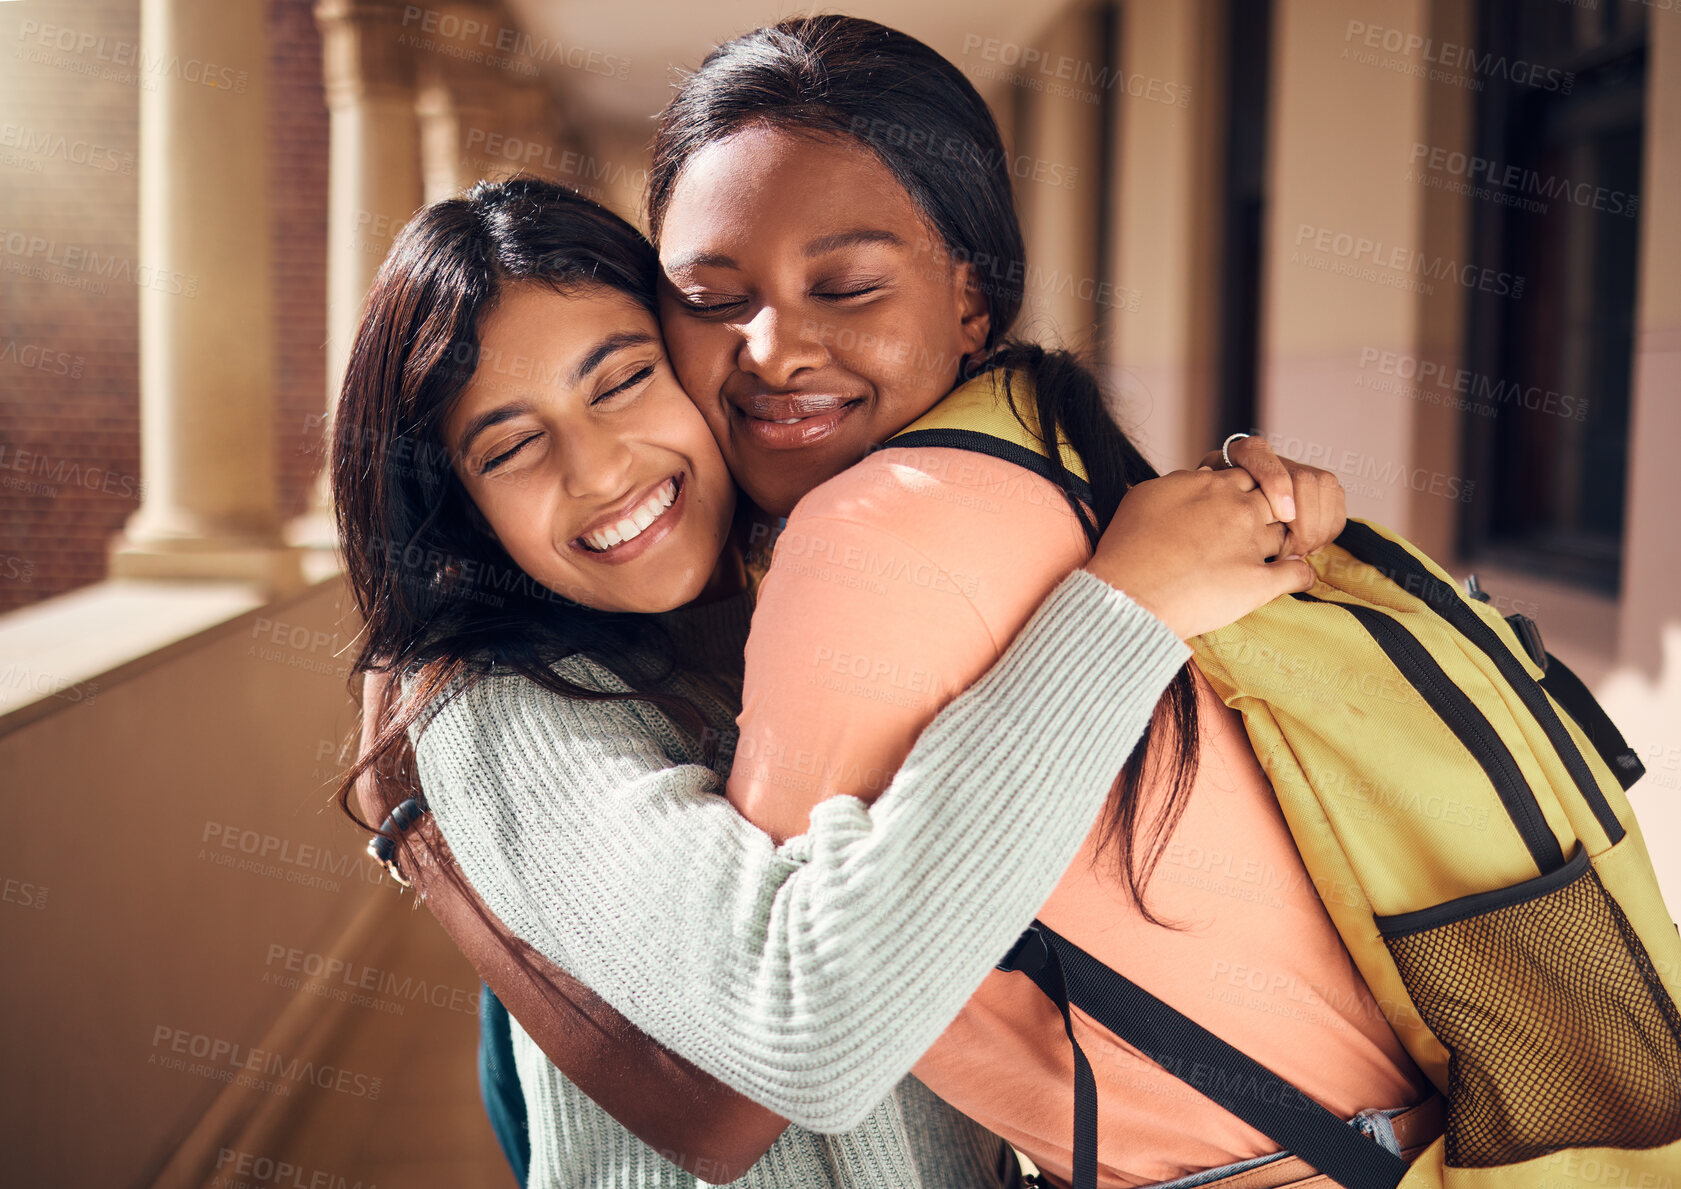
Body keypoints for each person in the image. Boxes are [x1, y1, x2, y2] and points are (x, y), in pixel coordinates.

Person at [335, 175, 1329, 1187]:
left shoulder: (817, 590)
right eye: (509, 445)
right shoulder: (501, 711)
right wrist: (1122, 613)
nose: (596, 470)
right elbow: (802, 1037)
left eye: (621, 380)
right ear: (461, 505)